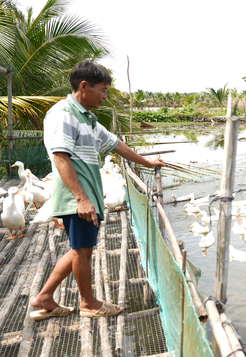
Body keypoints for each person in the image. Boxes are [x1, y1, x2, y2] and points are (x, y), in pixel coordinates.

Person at [29, 61, 164, 320]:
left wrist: (147, 162)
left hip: (88, 194)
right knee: (82, 250)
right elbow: (60, 157)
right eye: (102, 90)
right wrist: (81, 198)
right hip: (76, 196)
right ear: (83, 86)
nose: (104, 96)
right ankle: (88, 303)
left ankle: (44, 297)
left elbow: (116, 145)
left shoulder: (87, 119)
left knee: (80, 248)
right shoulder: (64, 113)